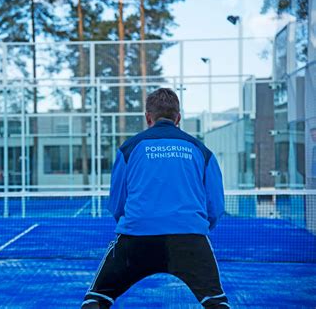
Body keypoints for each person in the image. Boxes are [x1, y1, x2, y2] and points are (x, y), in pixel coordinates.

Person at [82, 88, 229, 308]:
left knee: (97, 299)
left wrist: (136, 223)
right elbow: (215, 207)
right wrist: (196, 227)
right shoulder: (201, 150)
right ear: (178, 118)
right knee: (216, 303)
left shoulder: (129, 148)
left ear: (148, 118)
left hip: (136, 238)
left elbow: (117, 204)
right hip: (190, 238)